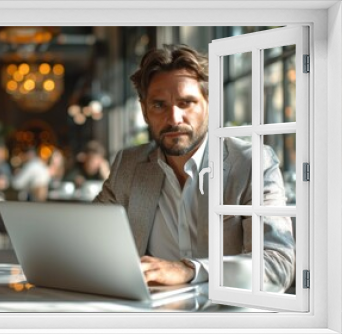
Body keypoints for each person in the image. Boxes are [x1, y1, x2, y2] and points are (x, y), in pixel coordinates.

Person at [94, 45, 295, 292]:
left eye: (186, 103)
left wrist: (189, 270)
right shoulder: (129, 164)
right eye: (159, 105)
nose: (174, 118)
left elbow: (277, 265)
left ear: (210, 104)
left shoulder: (250, 163)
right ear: (145, 110)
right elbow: (91, 241)